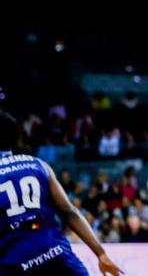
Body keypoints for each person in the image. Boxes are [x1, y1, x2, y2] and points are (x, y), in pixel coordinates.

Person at [0, 111, 123, 276]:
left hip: (14, 264)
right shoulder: (38, 164)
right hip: (57, 255)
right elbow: (69, 211)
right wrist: (100, 253)